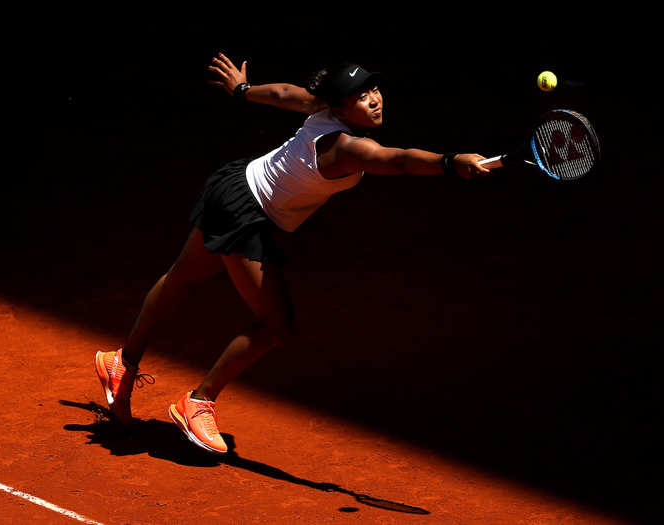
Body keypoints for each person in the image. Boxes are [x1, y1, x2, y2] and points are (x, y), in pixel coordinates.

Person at [94, 53, 490, 455]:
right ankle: (197, 402)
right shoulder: (348, 148)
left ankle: (122, 363)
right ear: (339, 107)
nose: (373, 99)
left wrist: (243, 90)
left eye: (373, 89)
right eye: (360, 95)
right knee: (275, 325)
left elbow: (285, 94)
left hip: (235, 185)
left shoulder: (321, 107)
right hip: (246, 213)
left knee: (181, 279)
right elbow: (398, 160)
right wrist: (449, 162)